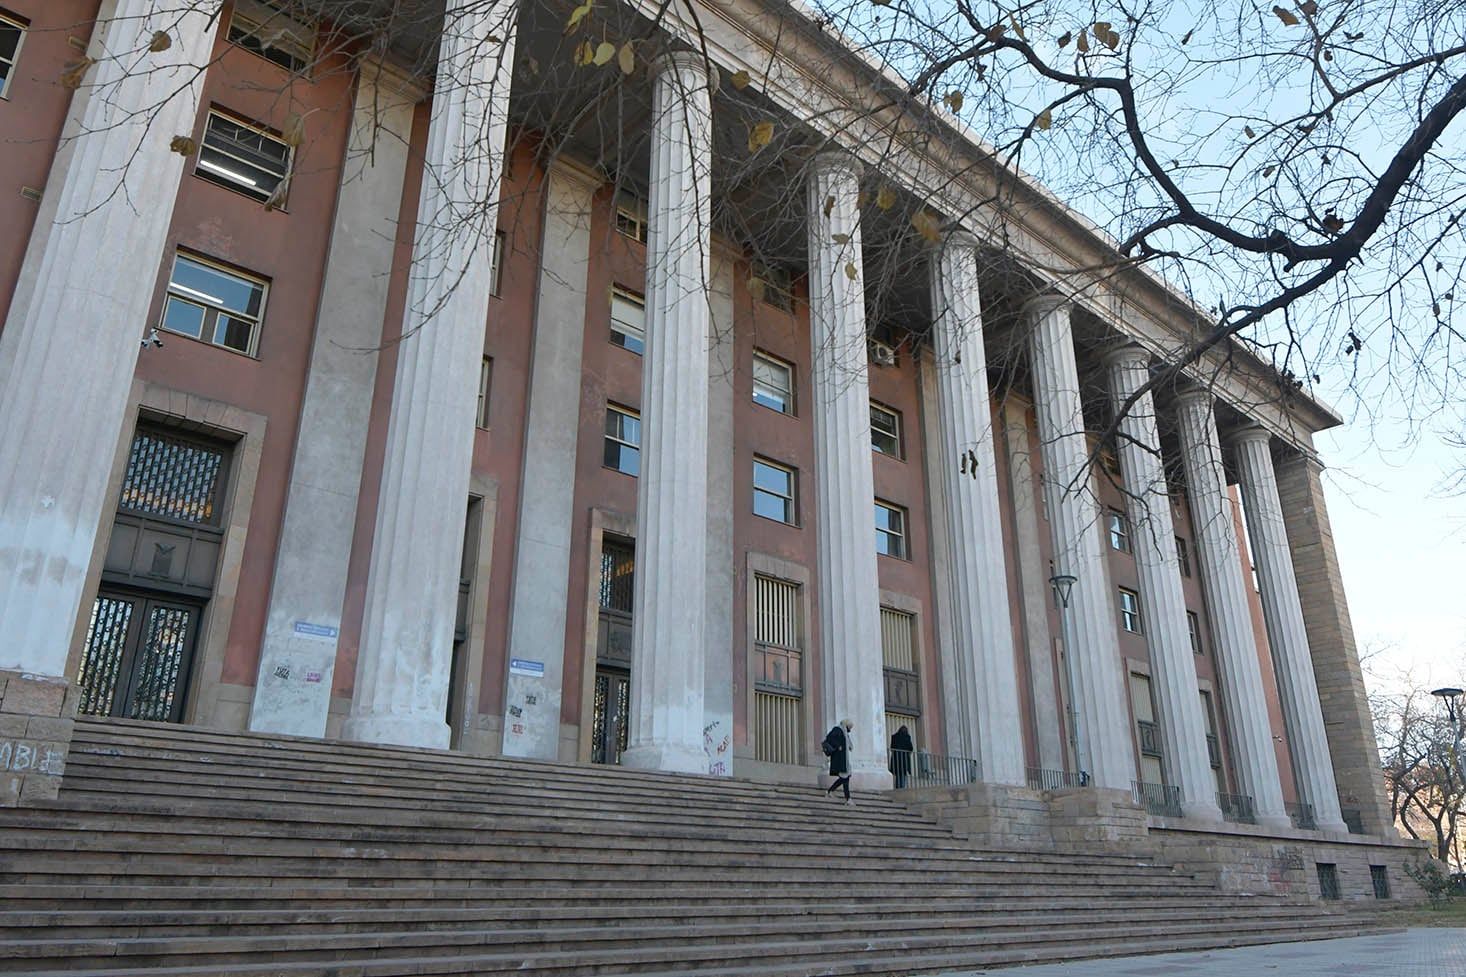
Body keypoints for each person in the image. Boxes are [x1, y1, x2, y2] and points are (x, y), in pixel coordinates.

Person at [823, 719, 854, 804]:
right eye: (849, 727)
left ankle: (830, 791)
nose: (849, 730)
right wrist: (838, 746)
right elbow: (829, 737)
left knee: (844, 778)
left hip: (843, 759)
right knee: (845, 778)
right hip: (839, 758)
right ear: (846, 725)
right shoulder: (837, 729)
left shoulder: (844, 733)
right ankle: (848, 799)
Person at [889, 724, 914, 789]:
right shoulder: (907, 737)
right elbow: (911, 748)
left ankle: (898, 788)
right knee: (903, 774)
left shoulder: (894, 736)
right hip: (904, 759)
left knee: (898, 774)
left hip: (896, 759)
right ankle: (901, 789)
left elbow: (892, 747)